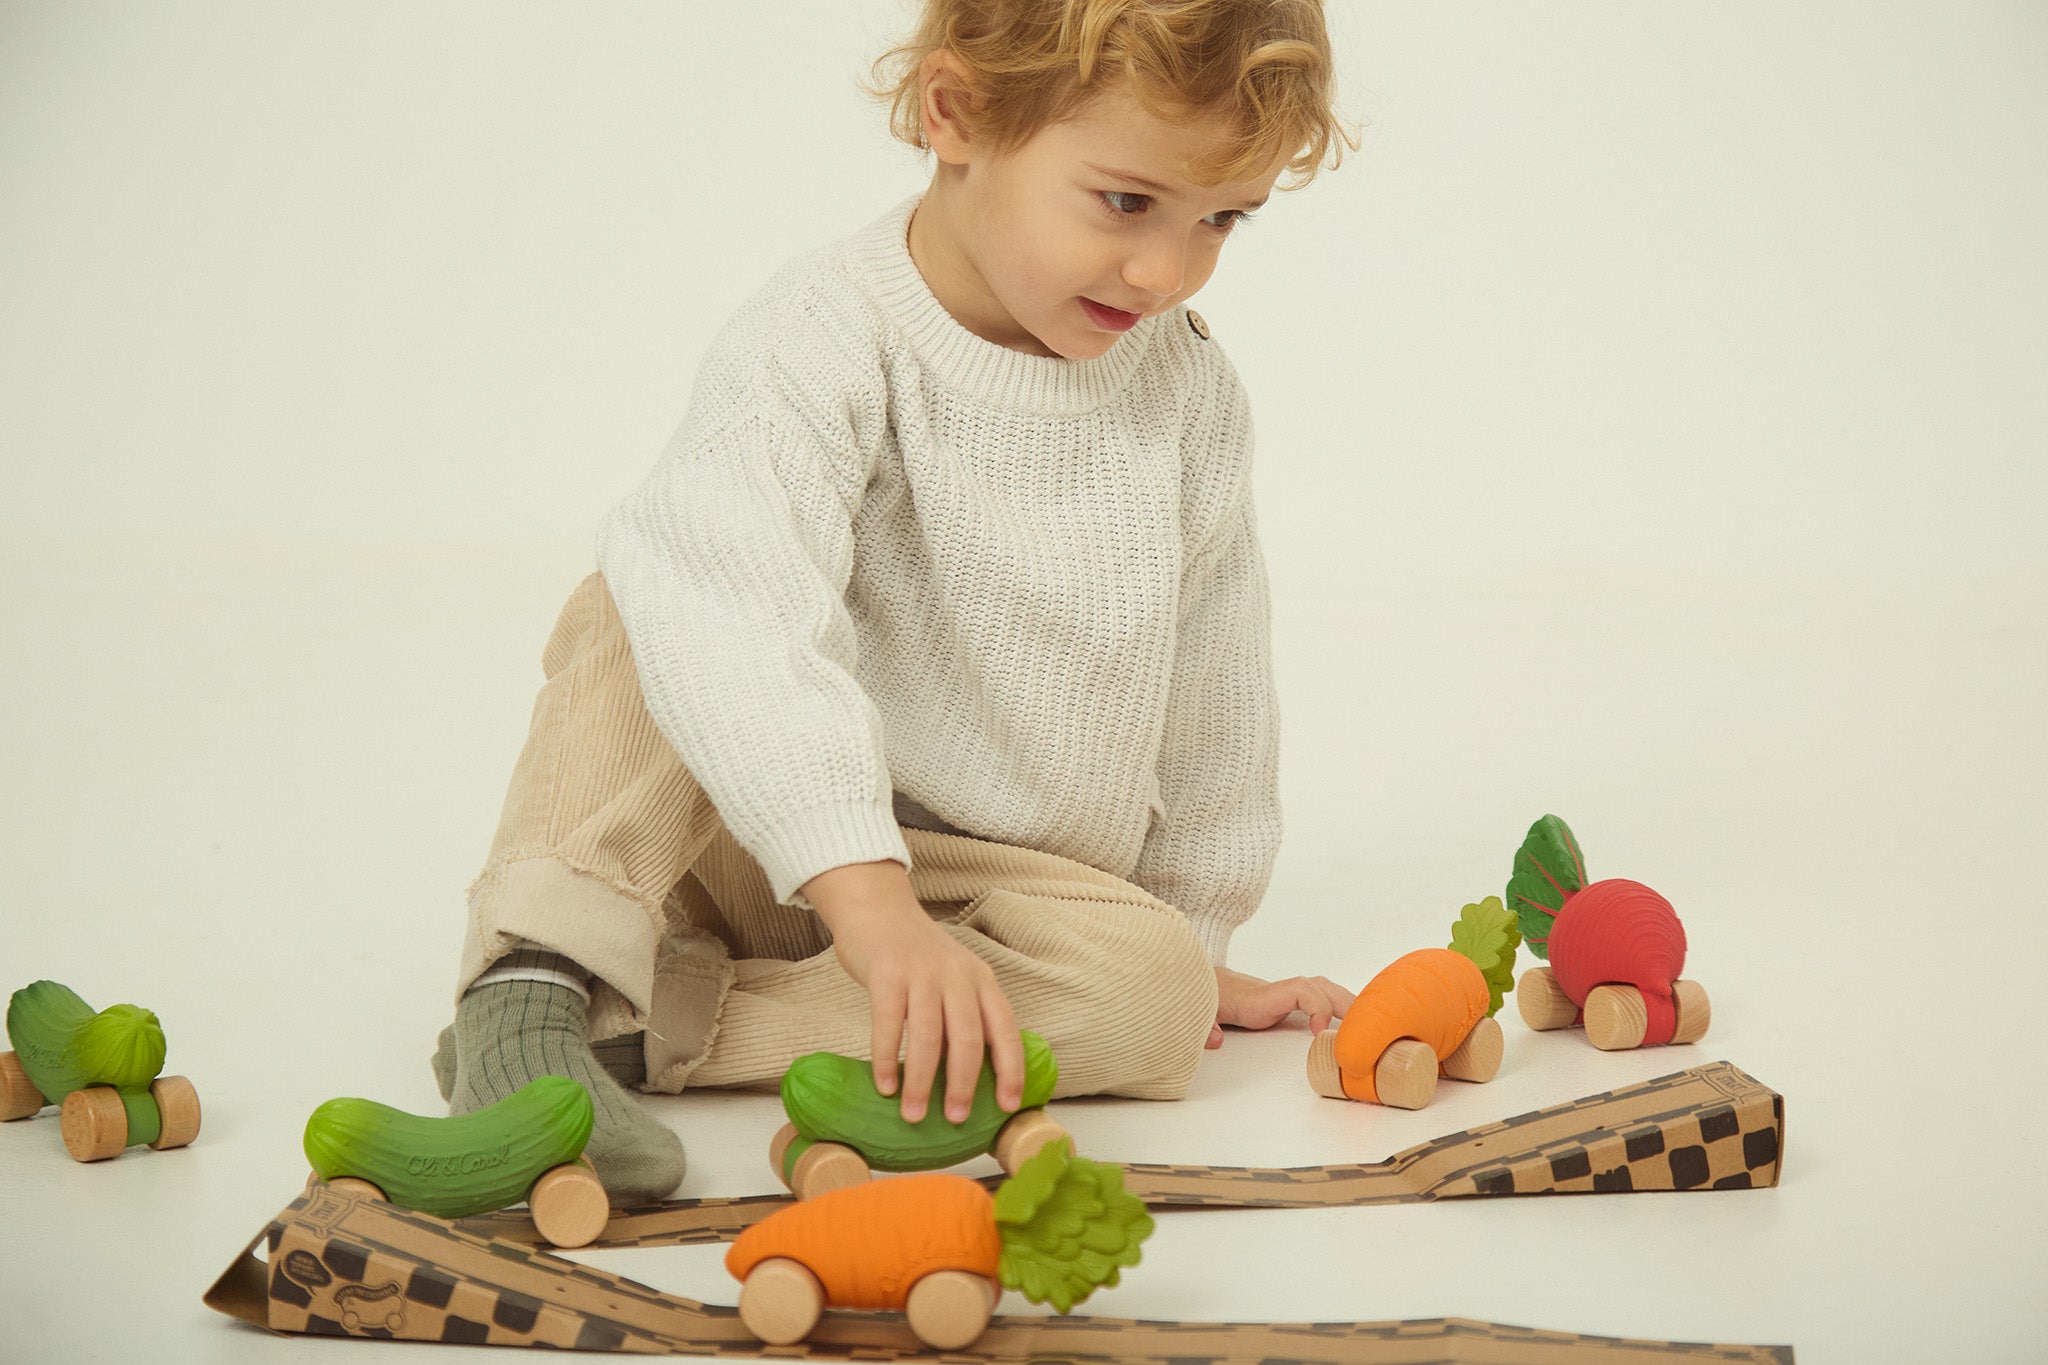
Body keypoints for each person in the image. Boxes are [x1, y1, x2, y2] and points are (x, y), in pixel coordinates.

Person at [433, 0, 1360, 1206]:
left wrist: (1194, 943)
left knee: (1151, 1000)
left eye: (1219, 220)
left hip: (979, 892)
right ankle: (537, 977)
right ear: (956, 111)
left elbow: (1217, 687)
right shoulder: (822, 338)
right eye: (1127, 203)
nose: (1165, 270)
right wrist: (857, 893)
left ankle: (650, 1022)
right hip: (742, 831)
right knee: (653, 595)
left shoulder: (1184, 393)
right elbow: (731, 610)